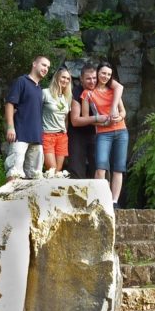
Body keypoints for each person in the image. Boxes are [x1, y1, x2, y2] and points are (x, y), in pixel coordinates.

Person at [81, 61, 128, 205]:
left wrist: (118, 117)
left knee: (118, 168)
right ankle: (99, 200)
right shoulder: (88, 93)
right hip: (103, 133)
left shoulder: (114, 90)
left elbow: (123, 112)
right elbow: (86, 118)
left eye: (108, 74)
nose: (105, 76)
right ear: (97, 73)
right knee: (101, 166)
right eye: (103, 73)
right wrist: (103, 122)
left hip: (121, 131)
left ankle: (114, 202)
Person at [3, 55, 50, 181]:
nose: (46, 69)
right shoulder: (21, 81)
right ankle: (9, 199)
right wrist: (10, 127)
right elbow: (10, 104)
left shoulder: (39, 89)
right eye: (43, 65)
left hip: (36, 137)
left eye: (48, 67)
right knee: (14, 172)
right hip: (20, 134)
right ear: (34, 64)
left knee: (35, 176)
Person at [42, 66, 73, 173]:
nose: (65, 80)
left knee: (58, 171)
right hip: (47, 135)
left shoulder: (67, 97)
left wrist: (66, 132)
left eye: (68, 79)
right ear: (57, 77)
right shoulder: (45, 93)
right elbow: (35, 111)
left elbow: (66, 119)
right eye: (63, 77)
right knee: (51, 170)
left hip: (62, 136)